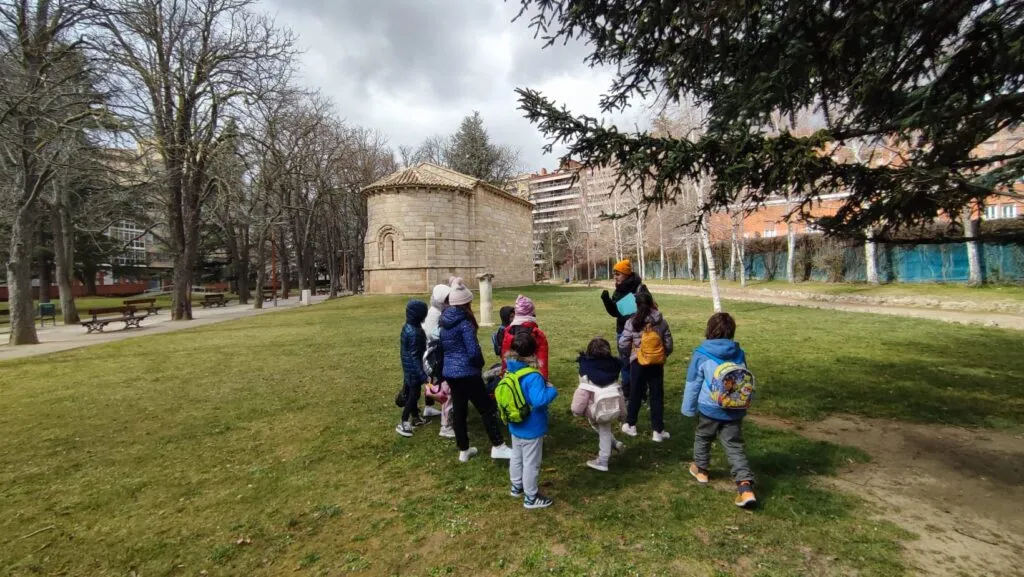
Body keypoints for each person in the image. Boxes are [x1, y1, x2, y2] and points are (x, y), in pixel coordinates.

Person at [682, 312, 757, 508]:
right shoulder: (739, 353)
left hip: (709, 406)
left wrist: (688, 409)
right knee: (734, 445)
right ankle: (745, 487)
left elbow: (693, 383)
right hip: (734, 407)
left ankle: (701, 470)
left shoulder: (701, 354)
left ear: (709, 331)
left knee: (704, 436)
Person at [439, 277, 514, 462]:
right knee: (486, 408)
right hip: (467, 372)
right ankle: (498, 445)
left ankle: (463, 450)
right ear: (466, 303)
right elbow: (473, 350)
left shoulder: (444, 323)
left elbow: (444, 348)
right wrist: (479, 364)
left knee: (460, 409)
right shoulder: (464, 323)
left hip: (451, 373)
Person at [506, 331, 558, 509]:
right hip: (532, 425)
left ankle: (516, 486)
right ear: (533, 352)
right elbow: (539, 400)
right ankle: (531, 496)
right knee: (531, 462)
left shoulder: (510, 369)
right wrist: (552, 390)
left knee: (517, 456)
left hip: (515, 422)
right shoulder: (533, 376)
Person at [618, 291, 673, 441]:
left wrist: (627, 356)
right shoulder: (661, 321)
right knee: (656, 395)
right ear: (651, 303)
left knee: (635, 392)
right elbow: (668, 343)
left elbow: (623, 343)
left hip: (638, 361)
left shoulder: (632, 322)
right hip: (656, 363)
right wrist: (663, 355)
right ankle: (658, 430)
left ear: (636, 305)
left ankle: (631, 425)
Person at [571, 337, 627, 471]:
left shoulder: (586, 370)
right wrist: (623, 415)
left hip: (595, 408)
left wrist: (576, 411)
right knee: (603, 428)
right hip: (612, 405)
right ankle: (614, 443)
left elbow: (582, 393)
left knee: (602, 428)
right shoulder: (614, 367)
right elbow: (619, 392)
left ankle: (603, 461)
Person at [601, 259, 648, 388]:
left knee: (640, 361)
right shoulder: (618, 290)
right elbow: (615, 313)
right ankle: (627, 389)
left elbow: (648, 308)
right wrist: (607, 301)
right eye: (614, 274)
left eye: (618, 274)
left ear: (626, 274)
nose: (614, 277)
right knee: (625, 362)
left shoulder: (640, 288)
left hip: (639, 331)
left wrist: (633, 315)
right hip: (622, 331)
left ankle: (641, 390)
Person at [396, 300, 431, 437]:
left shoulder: (408, 327)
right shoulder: (415, 333)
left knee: (412, 391)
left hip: (408, 367)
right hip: (413, 369)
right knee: (414, 395)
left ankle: (415, 418)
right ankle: (404, 421)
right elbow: (415, 357)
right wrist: (423, 376)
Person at [500, 295, 550, 380]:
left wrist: (504, 371)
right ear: (532, 312)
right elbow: (543, 359)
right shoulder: (537, 333)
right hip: (532, 374)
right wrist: (544, 379)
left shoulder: (508, 331)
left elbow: (505, 354)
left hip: (513, 373)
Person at [423, 283, 451, 433]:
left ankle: (428, 407)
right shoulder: (435, 313)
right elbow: (431, 333)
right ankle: (445, 422)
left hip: (433, 349)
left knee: (432, 380)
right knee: (438, 381)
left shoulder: (436, 310)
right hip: (435, 351)